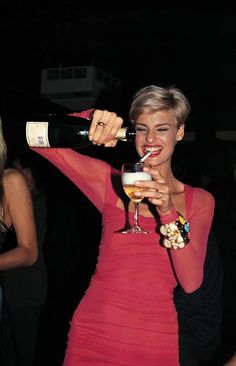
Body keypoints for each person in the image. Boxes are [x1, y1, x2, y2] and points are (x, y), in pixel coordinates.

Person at [31, 85, 215, 365]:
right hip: (92, 335)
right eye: (142, 128)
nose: (150, 138)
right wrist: (92, 119)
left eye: (162, 129)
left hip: (154, 341)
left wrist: (167, 211)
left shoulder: (198, 200)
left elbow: (191, 283)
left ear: (179, 132)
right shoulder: (111, 183)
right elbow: (36, 138)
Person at [0, 151, 47, 366]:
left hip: (26, 287)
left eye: (23, 170)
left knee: (22, 351)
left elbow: (30, 249)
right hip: (14, 285)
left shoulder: (36, 201)